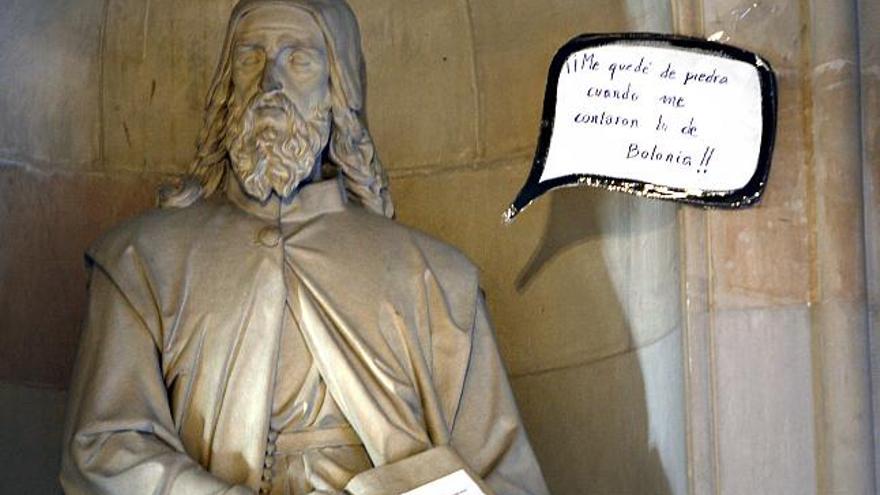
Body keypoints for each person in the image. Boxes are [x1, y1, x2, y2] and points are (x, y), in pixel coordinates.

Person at [60, 1, 549, 494]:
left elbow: (505, 478)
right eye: (250, 58)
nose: (270, 86)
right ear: (225, 87)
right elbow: (104, 448)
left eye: (300, 61)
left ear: (339, 91)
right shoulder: (142, 261)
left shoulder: (436, 278)